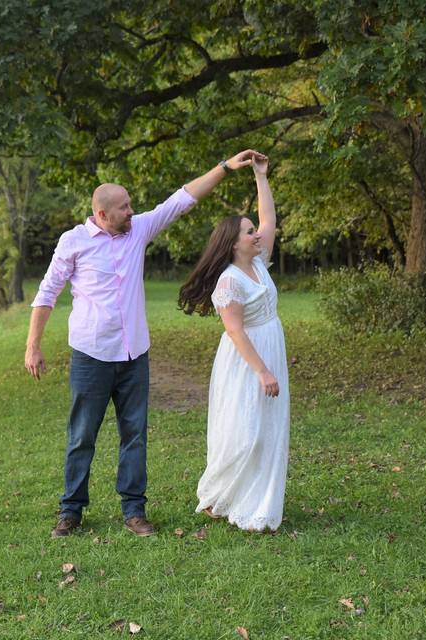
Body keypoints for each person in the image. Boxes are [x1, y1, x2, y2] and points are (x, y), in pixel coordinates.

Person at [26, 150, 262, 538]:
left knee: (134, 433)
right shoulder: (73, 242)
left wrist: (223, 168)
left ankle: (134, 511)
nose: (132, 211)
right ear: (102, 215)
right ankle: (71, 511)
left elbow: (181, 200)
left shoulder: (138, 231)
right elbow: (47, 292)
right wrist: (33, 344)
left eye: (132, 205)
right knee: (82, 434)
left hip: (134, 354)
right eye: (124, 208)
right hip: (91, 355)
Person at [177, 153, 289, 532]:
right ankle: (219, 496)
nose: (256, 233)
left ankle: (259, 501)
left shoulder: (258, 263)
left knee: (268, 428)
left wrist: (261, 177)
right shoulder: (229, 281)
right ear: (232, 243)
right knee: (245, 429)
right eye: (247, 232)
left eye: (252, 230)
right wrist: (262, 371)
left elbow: (270, 219)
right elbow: (235, 331)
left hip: (271, 345)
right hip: (246, 359)